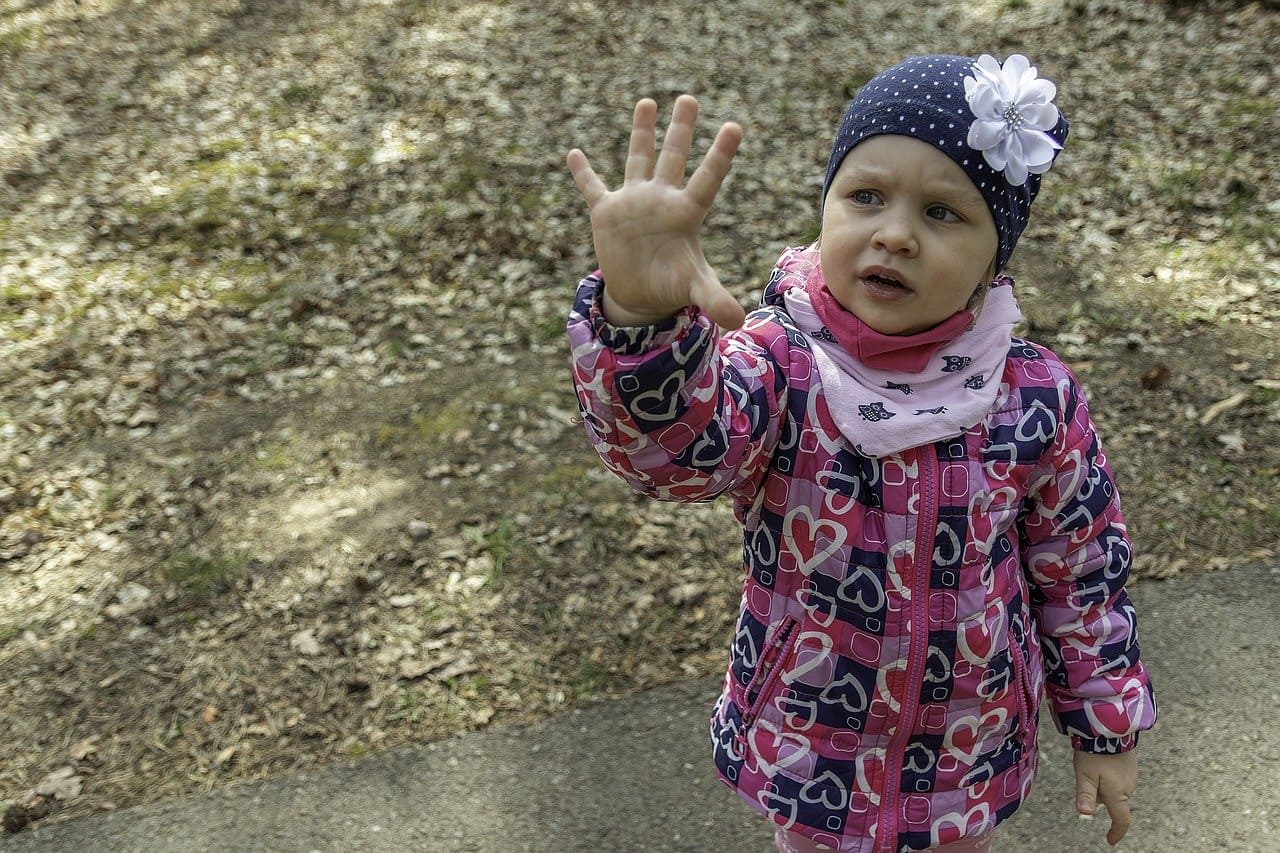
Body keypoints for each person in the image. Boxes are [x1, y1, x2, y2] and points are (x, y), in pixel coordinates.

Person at [564, 53, 1156, 853]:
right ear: (827, 207)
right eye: (866, 195)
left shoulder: (1031, 398)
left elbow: (1080, 570)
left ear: (995, 257)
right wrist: (640, 319)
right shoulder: (782, 368)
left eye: (944, 213)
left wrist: (1106, 722)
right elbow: (676, 454)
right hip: (814, 747)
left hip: (963, 756)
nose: (895, 233)